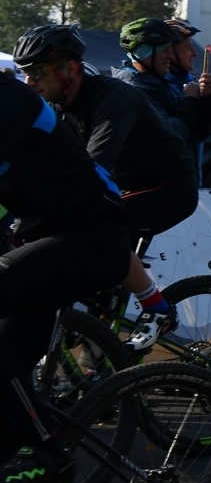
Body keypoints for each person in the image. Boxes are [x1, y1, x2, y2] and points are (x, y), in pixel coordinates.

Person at [15, 24, 197, 346]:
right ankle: (99, 343)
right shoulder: (55, 106)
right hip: (125, 187)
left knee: (98, 225)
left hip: (169, 185)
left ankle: (157, 308)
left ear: (70, 69)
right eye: (25, 73)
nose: (30, 82)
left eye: (38, 72)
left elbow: (93, 169)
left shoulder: (115, 97)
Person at [0, 73, 131, 483]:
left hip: (93, 237)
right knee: (10, 382)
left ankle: (48, 453)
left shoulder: (8, 100)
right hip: (48, 239)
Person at [115, 17, 211, 151]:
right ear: (147, 52)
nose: (170, 56)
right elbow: (173, 134)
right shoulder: (134, 89)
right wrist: (191, 100)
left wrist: (207, 97)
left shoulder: (165, 83)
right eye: (165, 50)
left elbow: (200, 131)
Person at [162, 17, 211, 141]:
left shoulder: (188, 79)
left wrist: (207, 96)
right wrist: (191, 100)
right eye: (189, 48)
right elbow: (182, 133)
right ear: (171, 52)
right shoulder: (163, 86)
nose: (195, 53)